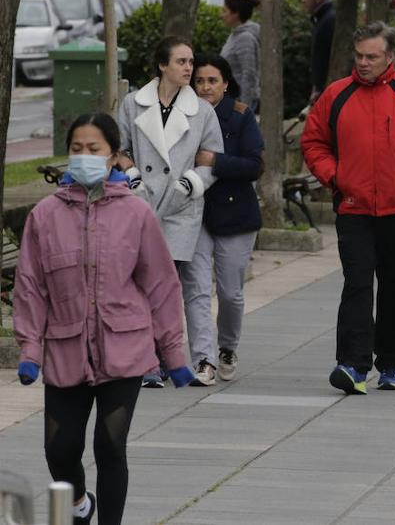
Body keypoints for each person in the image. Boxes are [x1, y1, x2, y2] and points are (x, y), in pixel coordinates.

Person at [14, 113, 195, 525]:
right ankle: (79, 505)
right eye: (76, 148)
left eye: (93, 149)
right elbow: (30, 287)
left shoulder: (136, 214)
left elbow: (161, 285)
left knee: (110, 446)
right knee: (59, 450)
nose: (84, 155)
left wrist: (172, 352)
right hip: (66, 349)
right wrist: (30, 350)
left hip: (124, 348)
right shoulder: (45, 216)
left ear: (114, 156)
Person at [301, 22, 395, 395]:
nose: (364, 63)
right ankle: (353, 365)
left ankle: (390, 363)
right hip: (353, 209)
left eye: (372, 56)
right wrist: (334, 176)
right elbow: (314, 141)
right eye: (359, 56)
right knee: (356, 285)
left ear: (390, 57)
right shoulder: (337, 94)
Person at [117, 36, 224, 388]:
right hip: (141, 205)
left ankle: (165, 358)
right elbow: (119, 148)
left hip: (181, 209)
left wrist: (190, 185)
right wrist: (133, 178)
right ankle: (149, 361)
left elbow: (210, 158)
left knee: (167, 285)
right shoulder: (133, 104)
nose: (189, 68)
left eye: (190, 61)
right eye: (181, 61)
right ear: (163, 65)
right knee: (143, 285)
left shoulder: (202, 111)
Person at [189, 54, 265, 385]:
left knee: (230, 292)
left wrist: (216, 161)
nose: (205, 87)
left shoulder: (240, 115)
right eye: (199, 81)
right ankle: (202, 359)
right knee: (197, 289)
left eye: (212, 81)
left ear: (225, 83)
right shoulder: (183, 114)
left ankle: (227, 348)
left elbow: (255, 165)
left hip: (235, 214)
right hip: (194, 213)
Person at [219, 0, 261, 110]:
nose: (221, 15)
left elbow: (249, 74)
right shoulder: (235, 35)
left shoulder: (245, 38)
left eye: (224, 11)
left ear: (235, 14)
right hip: (231, 97)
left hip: (240, 101)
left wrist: (244, 106)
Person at [304, 0, 335, 102]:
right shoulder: (321, 19)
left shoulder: (328, 20)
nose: (303, 0)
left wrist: (318, 87)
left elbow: (323, 56)